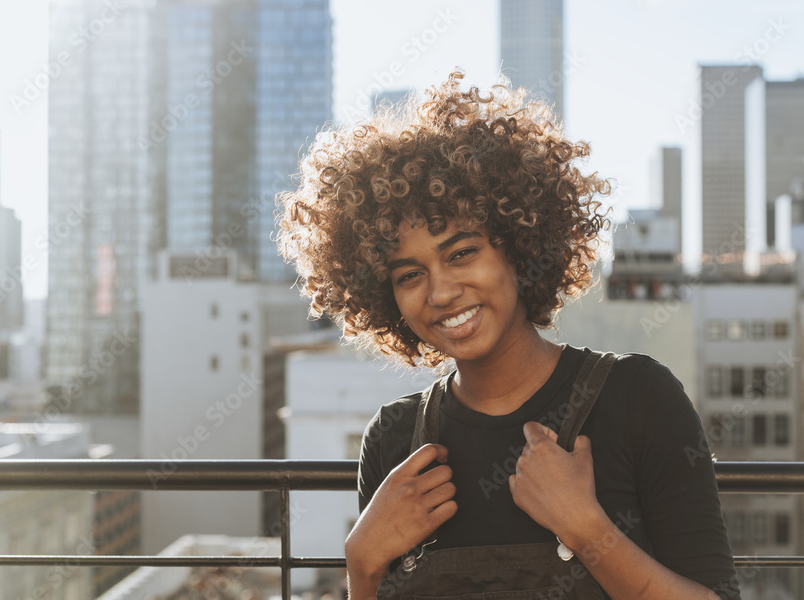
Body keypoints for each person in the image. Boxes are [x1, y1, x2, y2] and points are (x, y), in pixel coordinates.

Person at [276, 71, 740, 599]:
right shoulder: (394, 437)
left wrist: (588, 531)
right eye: (409, 275)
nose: (441, 292)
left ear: (518, 249)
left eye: (462, 253)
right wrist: (361, 566)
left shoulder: (639, 397)